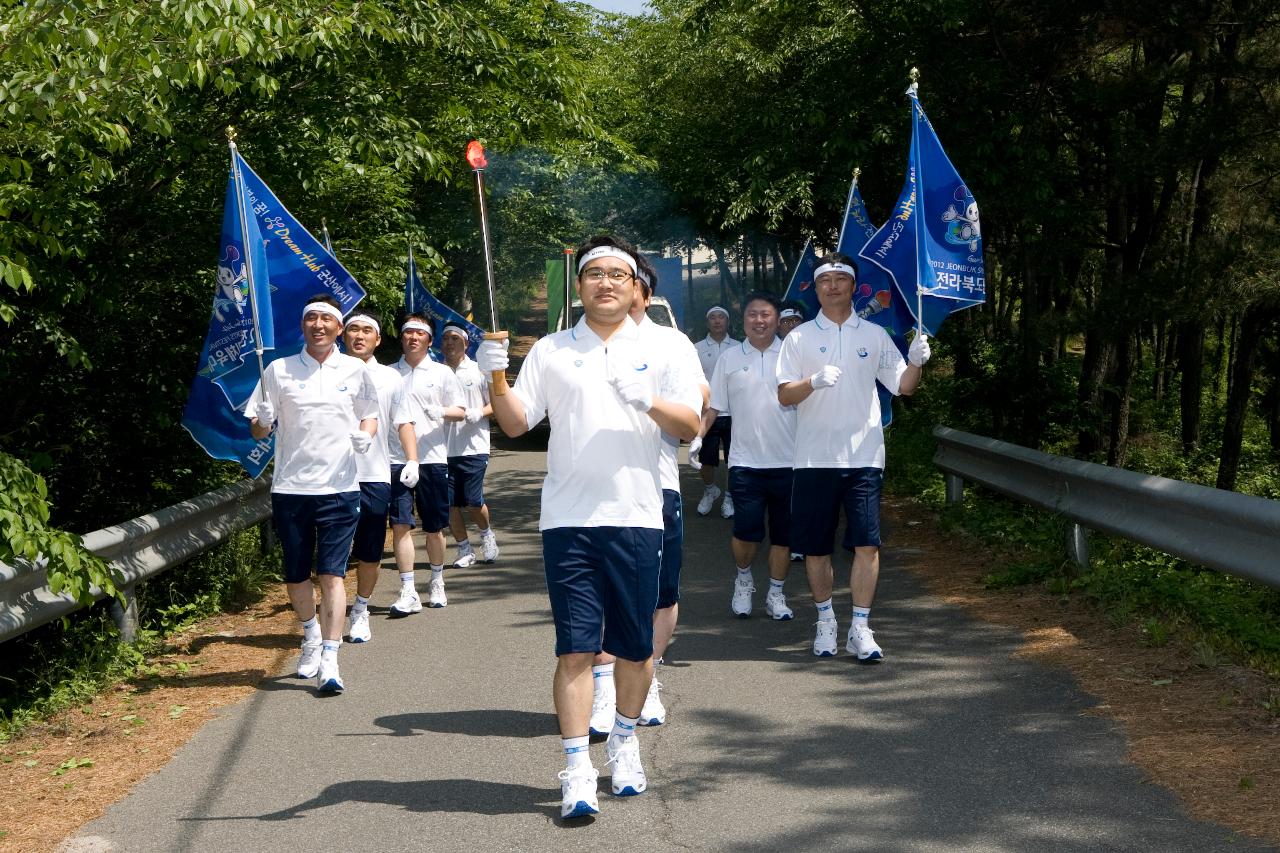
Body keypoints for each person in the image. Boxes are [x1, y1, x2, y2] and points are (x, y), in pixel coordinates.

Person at [479, 235, 700, 820]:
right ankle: (576, 765)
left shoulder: (666, 345)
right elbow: (518, 422)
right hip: (569, 520)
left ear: (634, 290)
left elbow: (691, 426)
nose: (605, 283)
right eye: (594, 274)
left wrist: (649, 400)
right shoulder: (553, 350)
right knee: (576, 648)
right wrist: (497, 379)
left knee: (633, 651)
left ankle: (624, 740)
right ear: (578, 287)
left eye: (616, 276)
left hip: (636, 516)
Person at [776, 253, 931, 660]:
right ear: (816, 287)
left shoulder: (875, 335)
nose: (832, 286)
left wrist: (915, 361)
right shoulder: (799, 337)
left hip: (863, 456)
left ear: (852, 285)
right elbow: (784, 393)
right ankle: (826, 620)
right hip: (813, 459)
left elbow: (903, 387)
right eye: (824, 279)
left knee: (867, 545)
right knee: (816, 548)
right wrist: (812, 381)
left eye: (839, 279)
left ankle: (860, 627)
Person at [590, 253, 707, 731]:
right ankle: (602, 689)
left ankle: (646, 675)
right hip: (598, 489)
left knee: (661, 594)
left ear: (643, 291)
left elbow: (698, 399)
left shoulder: (671, 342)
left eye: (626, 278)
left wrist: (660, 403)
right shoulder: (581, 342)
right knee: (602, 594)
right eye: (604, 275)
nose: (615, 285)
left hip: (657, 484)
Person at [246, 295, 379, 694]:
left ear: (339, 328)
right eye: (311, 319)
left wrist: (365, 436)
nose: (318, 325)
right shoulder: (277, 370)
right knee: (295, 575)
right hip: (291, 488)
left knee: (332, 574)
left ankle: (331, 659)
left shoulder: (355, 370)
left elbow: (369, 414)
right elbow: (257, 427)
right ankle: (310, 636)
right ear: (302, 326)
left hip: (339, 487)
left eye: (326, 319)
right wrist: (264, 422)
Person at [702, 292, 797, 621]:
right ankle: (743, 581)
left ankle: (776, 593)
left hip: (789, 463)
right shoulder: (729, 358)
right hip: (745, 463)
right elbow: (714, 405)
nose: (759, 320)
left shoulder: (792, 354)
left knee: (784, 535)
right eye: (753, 314)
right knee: (746, 532)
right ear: (743, 321)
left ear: (776, 319)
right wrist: (699, 438)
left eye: (766, 314)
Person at [341, 311, 418, 644]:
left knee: (369, 550)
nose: (359, 336)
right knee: (335, 551)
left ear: (377, 339)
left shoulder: (391, 378)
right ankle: (319, 626)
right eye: (353, 329)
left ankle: (360, 609)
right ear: (343, 335)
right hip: (331, 478)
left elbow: (403, 422)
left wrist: (412, 459)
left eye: (366, 331)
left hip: (373, 474)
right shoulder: (329, 373)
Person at [388, 314, 465, 613]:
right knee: (400, 525)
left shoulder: (443, 373)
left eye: (420, 333)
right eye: (408, 332)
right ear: (402, 338)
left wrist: (442, 411)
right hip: (397, 459)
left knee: (434, 528)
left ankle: (436, 580)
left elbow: (461, 410)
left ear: (429, 340)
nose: (413, 337)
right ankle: (407, 588)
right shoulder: (390, 373)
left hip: (432, 458)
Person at [440, 324, 500, 568]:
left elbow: (496, 404)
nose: (449, 343)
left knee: (473, 501)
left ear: (466, 343)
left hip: (474, 447)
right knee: (450, 504)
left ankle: (486, 535)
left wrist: (479, 412)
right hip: (441, 449)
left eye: (455, 338)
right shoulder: (436, 373)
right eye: (445, 339)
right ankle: (465, 549)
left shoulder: (479, 371)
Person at [691, 305, 739, 517]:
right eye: (713, 317)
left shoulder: (739, 347)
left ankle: (729, 496)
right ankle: (710, 490)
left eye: (721, 317)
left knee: (734, 459)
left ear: (728, 322)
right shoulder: (696, 348)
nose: (717, 321)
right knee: (706, 460)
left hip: (736, 414)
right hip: (708, 414)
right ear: (707, 322)